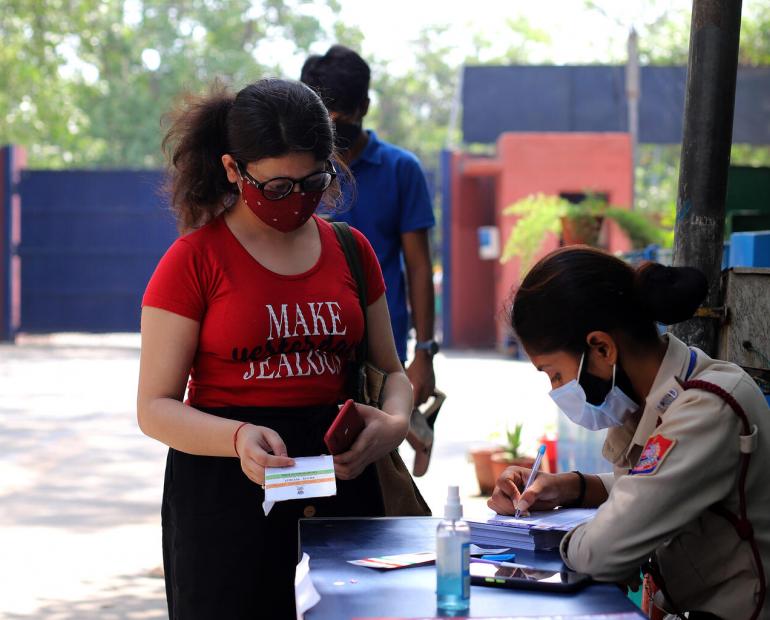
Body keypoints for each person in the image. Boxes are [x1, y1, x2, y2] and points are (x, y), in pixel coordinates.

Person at [137, 78, 413, 619]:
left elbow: (392, 372)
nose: (297, 200)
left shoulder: (351, 250)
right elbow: (154, 408)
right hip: (227, 495)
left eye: (313, 182)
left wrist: (395, 423)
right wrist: (236, 437)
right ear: (234, 170)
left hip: (343, 490)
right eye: (277, 187)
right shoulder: (194, 260)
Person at [488, 246, 769, 619]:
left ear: (602, 348)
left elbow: (601, 553)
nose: (556, 389)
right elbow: (652, 482)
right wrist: (569, 486)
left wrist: (550, 538)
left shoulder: (705, 410)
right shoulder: (656, 396)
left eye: (555, 374)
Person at [300, 45, 440, 475]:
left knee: (378, 469)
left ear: (365, 106)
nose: (334, 133)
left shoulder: (401, 169)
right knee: (313, 462)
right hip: (309, 342)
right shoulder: (295, 170)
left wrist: (425, 353)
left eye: (343, 119)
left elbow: (418, 265)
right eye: (324, 121)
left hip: (382, 350)